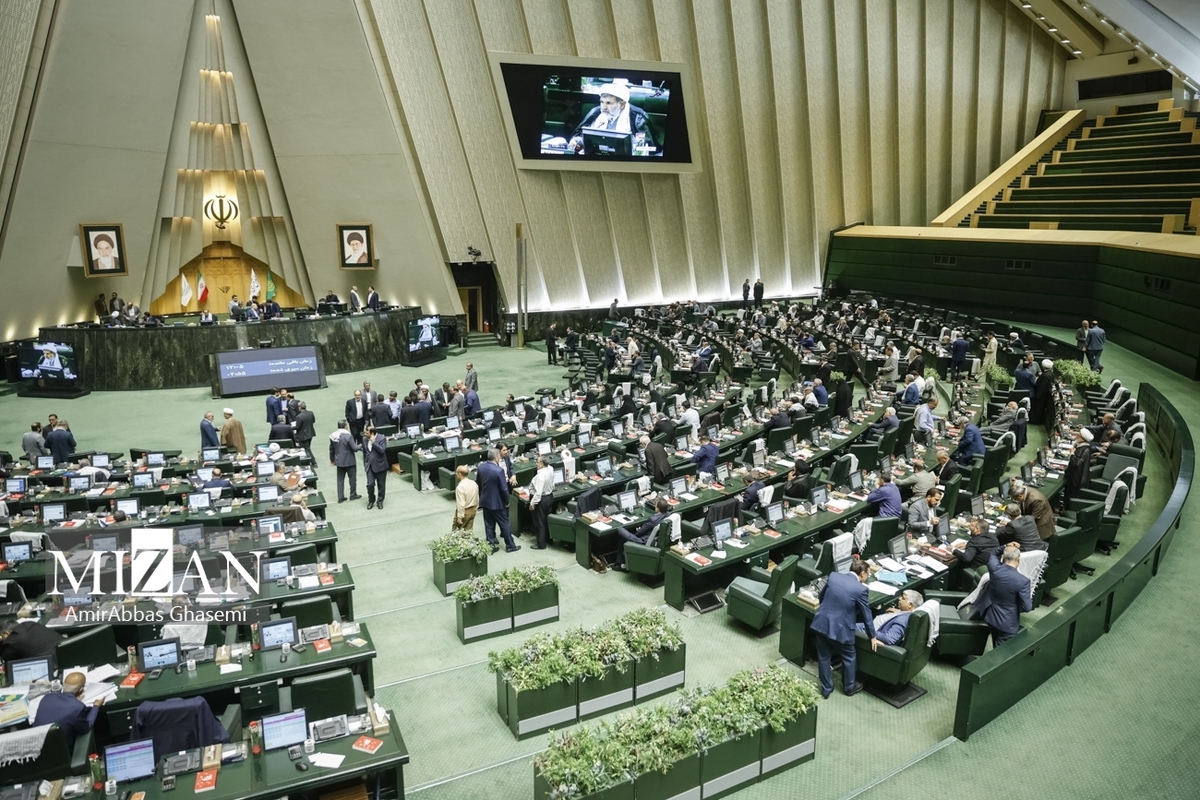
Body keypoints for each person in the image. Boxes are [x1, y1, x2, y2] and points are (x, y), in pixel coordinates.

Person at [810, 560, 879, 698]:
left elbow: (822, 597)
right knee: (849, 656)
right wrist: (873, 636)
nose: (868, 577)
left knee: (824, 656)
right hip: (841, 629)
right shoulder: (861, 590)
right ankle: (849, 687)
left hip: (822, 622)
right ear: (863, 573)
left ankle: (826, 689)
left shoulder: (834, 576)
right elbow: (867, 615)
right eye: (868, 574)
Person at [568, 82, 655, 152]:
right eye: (602, 102)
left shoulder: (637, 116)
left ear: (622, 104)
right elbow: (580, 136)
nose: (604, 107)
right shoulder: (596, 112)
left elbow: (648, 148)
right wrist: (577, 142)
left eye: (609, 103)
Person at [31, 670, 103, 751]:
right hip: (62, 753)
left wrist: (74, 701)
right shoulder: (78, 707)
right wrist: (96, 706)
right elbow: (86, 728)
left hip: (37, 749)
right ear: (81, 690)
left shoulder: (46, 698)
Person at [976, 544, 1032, 646]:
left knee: (995, 642)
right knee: (1002, 654)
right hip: (1007, 623)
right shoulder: (1023, 581)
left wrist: (1006, 545)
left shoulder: (994, 569)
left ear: (1002, 557)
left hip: (991, 616)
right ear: (1018, 560)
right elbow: (1027, 607)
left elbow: (993, 553)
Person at [611, 498, 672, 571]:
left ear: (658, 509)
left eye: (655, 506)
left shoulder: (652, 519)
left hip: (643, 541)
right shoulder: (669, 515)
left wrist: (638, 530)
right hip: (654, 539)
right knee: (624, 534)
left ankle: (622, 565)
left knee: (620, 530)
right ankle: (621, 563)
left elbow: (638, 534)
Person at [477, 449, 519, 553]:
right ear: (496, 458)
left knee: (489, 524)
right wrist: (507, 501)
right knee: (504, 524)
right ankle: (510, 545)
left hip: (485, 501)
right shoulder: (499, 470)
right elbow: (504, 489)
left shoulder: (481, 467)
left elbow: (478, 483)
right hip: (498, 503)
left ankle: (490, 546)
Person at [859, 590, 924, 645]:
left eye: (903, 598)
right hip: (871, 627)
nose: (899, 598)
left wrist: (870, 631)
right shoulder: (907, 613)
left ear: (910, 605)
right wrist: (898, 612)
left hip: (866, 631)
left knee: (849, 627)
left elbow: (890, 639)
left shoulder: (902, 620)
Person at [328, 420, 361, 503]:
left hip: (339, 461)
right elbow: (355, 448)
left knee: (340, 480)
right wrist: (361, 444)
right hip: (349, 461)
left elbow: (331, 449)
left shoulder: (333, 436)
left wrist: (332, 460)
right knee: (352, 479)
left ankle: (340, 497)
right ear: (345, 426)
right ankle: (353, 494)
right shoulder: (348, 436)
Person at [527, 456, 555, 550]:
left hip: (541, 500)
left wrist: (532, 503)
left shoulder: (540, 476)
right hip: (549, 497)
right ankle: (549, 540)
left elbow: (538, 493)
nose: (536, 463)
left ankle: (541, 544)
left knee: (540, 522)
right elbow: (549, 465)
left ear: (542, 464)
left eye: (538, 462)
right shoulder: (550, 469)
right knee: (546, 520)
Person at [361, 425, 388, 510]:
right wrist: (365, 464)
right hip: (369, 466)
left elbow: (382, 450)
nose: (365, 434)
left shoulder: (382, 438)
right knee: (370, 484)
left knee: (381, 485)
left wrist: (374, 442)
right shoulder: (364, 439)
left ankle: (380, 501)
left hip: (380, 466)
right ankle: (371, 500)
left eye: (367, 432)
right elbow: (365, 453)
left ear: (372, 433)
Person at [454, 465, 479, 531]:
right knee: (468, 532)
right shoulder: (474, 483)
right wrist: (475, 508)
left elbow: (461, 504)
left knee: (456, 533)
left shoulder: (460, 487)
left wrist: (460, 516)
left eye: (456, 473)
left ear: (459, 474)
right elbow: (477, 497)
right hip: (473, 510)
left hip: (465, 512)